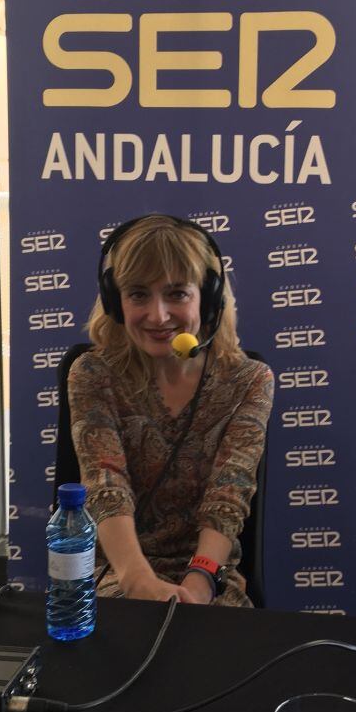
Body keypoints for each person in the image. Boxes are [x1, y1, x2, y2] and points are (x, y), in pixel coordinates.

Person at [68, 214, 273, 607]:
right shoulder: (93, 373)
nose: (157, 316)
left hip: (209, 571)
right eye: (138, 294)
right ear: (116, 300)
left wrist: (199, 582)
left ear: (208, 296)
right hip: (116, 568)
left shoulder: (250, 380)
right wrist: (137, 578)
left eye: (177, 293)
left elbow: (228, 494)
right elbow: (105, 485)